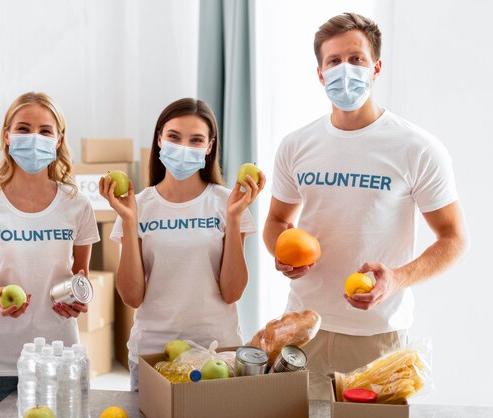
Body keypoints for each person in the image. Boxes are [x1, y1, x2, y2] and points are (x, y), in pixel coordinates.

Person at [263, 13, 467, 399]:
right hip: (303, 330)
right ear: (320, 74)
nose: (345, 70)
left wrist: (397, 279)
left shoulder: (417, 148)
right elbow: (276, 220)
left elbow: (454, 238)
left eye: (356, 59)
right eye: (334, 61)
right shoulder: (296, 146)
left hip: (378, 335)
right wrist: (279, 251)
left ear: (376, 67)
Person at [99, 98, 265, 391]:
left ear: (210, 146)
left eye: (196, 140)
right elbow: (132, 296)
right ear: (160, 139)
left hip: (217, 355)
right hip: (153, 355)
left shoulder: (228, 203)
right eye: (174, 137)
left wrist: (234, 217)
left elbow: (232, 291)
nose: (184, 147)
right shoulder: (139, 206)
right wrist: (128, 220)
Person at [0, 92, 100, 404]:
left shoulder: (77, 205)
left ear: (59, 140)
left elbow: (81, 278)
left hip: (60, 359)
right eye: (23, 128)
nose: (34, 137)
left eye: (45, 131)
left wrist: (80, 300)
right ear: (7, 136)